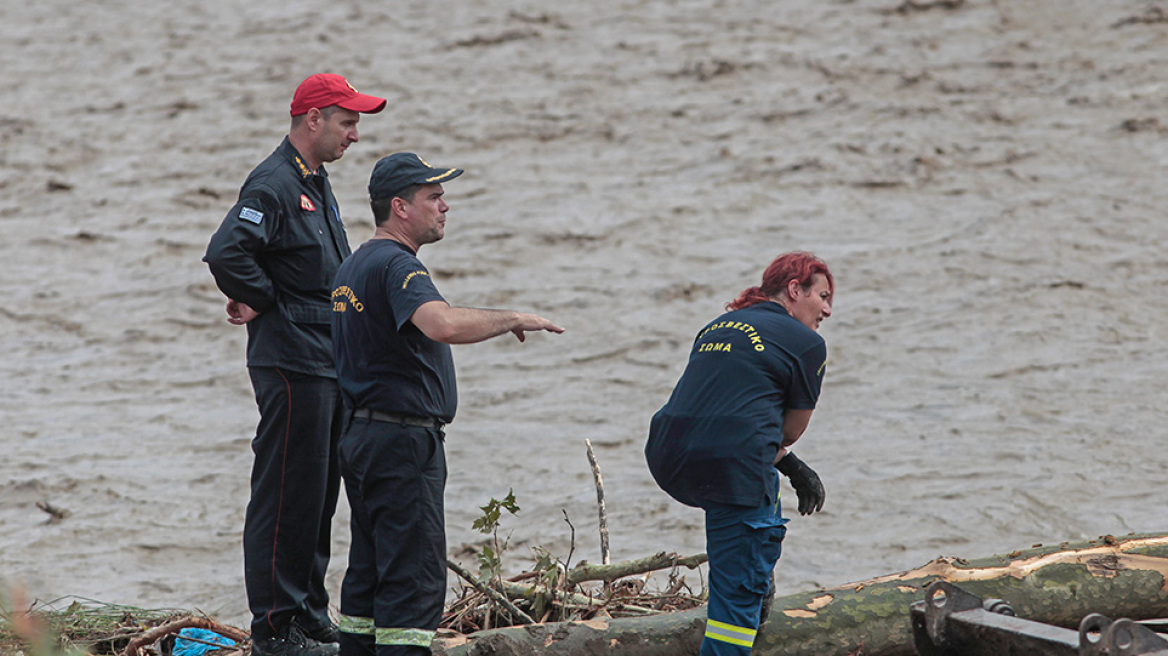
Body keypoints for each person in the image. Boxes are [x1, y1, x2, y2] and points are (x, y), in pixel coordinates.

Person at [330, 152, 564, 655]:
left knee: (368, 576)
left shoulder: (354, 264)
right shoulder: (397, 265)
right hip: (401, 441)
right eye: (433, 197)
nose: (445, 206)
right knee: (411, 585)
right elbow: (444, 324)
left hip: (361, 436)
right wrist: (513, 316)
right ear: (401, 207)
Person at [203, 74, 387, 656]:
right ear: (314, 119)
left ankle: (309, 614)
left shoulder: (315, 180)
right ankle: (277, 631)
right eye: (348, 122)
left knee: (317, 495)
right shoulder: (274, 182)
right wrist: (260, 296)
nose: (355, 134)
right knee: (285, 494)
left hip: (325, 358)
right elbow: (227, 251)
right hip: (291, 359)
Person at [644, 252, 834, 655]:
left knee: (738, 513)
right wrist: (789, 458)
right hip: (730, 465)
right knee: (737, 603)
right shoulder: (807, 344)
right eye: (823, 295)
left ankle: (752, 580)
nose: (828, 310)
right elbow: (788, 430)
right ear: (795, 290)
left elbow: (725, 411)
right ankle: (749, 592)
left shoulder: (716, 326)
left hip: (667, 453)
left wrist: (792, 468)